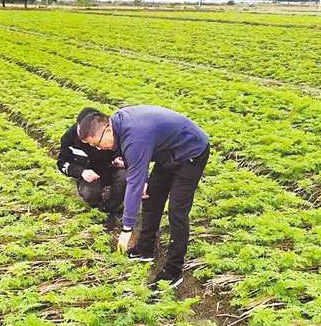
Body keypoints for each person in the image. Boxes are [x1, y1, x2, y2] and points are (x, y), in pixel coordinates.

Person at [78, 105, 210, 287]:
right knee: (151, 197)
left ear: (107, 128)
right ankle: (146, 249)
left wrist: (127, 228)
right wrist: (143, 179)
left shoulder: (135, 136)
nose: (98, 149)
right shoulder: (118, 123)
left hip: (192, 152)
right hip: (167, 152)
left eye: (97, 143)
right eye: (93, 146)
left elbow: (134, 181)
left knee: (177, 212)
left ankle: (174, 270)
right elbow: (134, 158)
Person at [57, 107, 127, 228]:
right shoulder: (69, 137)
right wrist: (81, 172)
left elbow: (126, 153)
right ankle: (96, 208)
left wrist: (119, 159)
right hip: (90, 174)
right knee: (90, 193)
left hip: (110, 169)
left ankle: (111, 208)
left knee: (124, 176)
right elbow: (62, 163)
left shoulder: (109, 133)